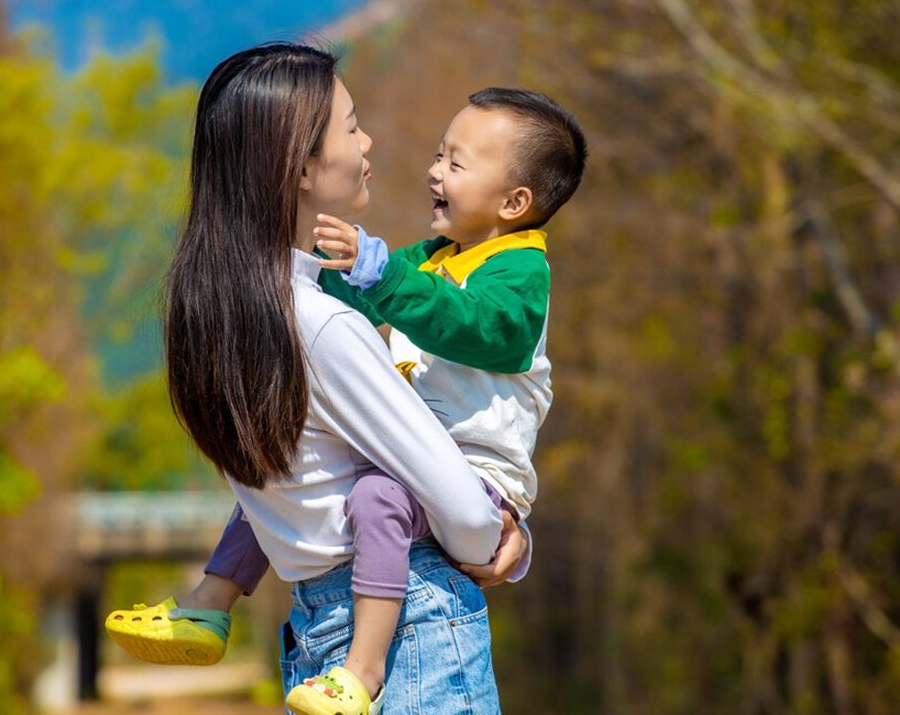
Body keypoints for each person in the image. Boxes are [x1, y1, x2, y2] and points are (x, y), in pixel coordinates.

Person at [107, 78, 585, 715]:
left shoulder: (520, 274)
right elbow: (357, 300)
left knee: (375, 495)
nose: (432, 170)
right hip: (415, 495)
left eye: (456, 162)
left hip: (473, 480)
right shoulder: (440, 257)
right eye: (439, 154)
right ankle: (211, 602)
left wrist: (380, 277)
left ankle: (363, 668)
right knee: (276, 465)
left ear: (515, 200)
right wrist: (318, 281)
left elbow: (477, 328)